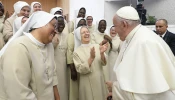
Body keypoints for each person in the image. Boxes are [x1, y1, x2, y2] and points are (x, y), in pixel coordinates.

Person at [106, 6, 175, 100]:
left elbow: (146, 93)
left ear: (124, 24)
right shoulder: (133, 37)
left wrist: (114, 88)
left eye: (115, 26)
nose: (115, 30)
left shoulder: (144, 42)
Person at [0, 11, 60, 100]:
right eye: (54, 26)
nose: (55, 31)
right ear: (41, 24)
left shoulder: (49, 45)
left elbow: (52, 77)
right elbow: (19, 93)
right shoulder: (19, 48)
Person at [73, 26, 108, 100]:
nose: (86, 34)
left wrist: (102, 54)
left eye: (87, 31)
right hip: (86, 84)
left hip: (99, 81)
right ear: (79, 36)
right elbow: (80, 69)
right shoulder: (76, 52)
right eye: (83, 32)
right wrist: (91, 58)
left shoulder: (97, 46)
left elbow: (104, 63)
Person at [66, 17, 86, 100]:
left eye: (84, 24)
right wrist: (72, 69)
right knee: (74, 89)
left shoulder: (86, 34)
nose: (82, 26)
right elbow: (70, 51)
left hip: (84, 65)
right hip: (74, 66)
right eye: (80, 24)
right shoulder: (72, 35)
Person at [52, 15, 69, 100]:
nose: (61, 25)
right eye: (59, 23)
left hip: (64, 66)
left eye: (63, 23)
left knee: (64, 85)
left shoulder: (66, 35)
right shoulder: (51, 35)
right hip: (54, 64)